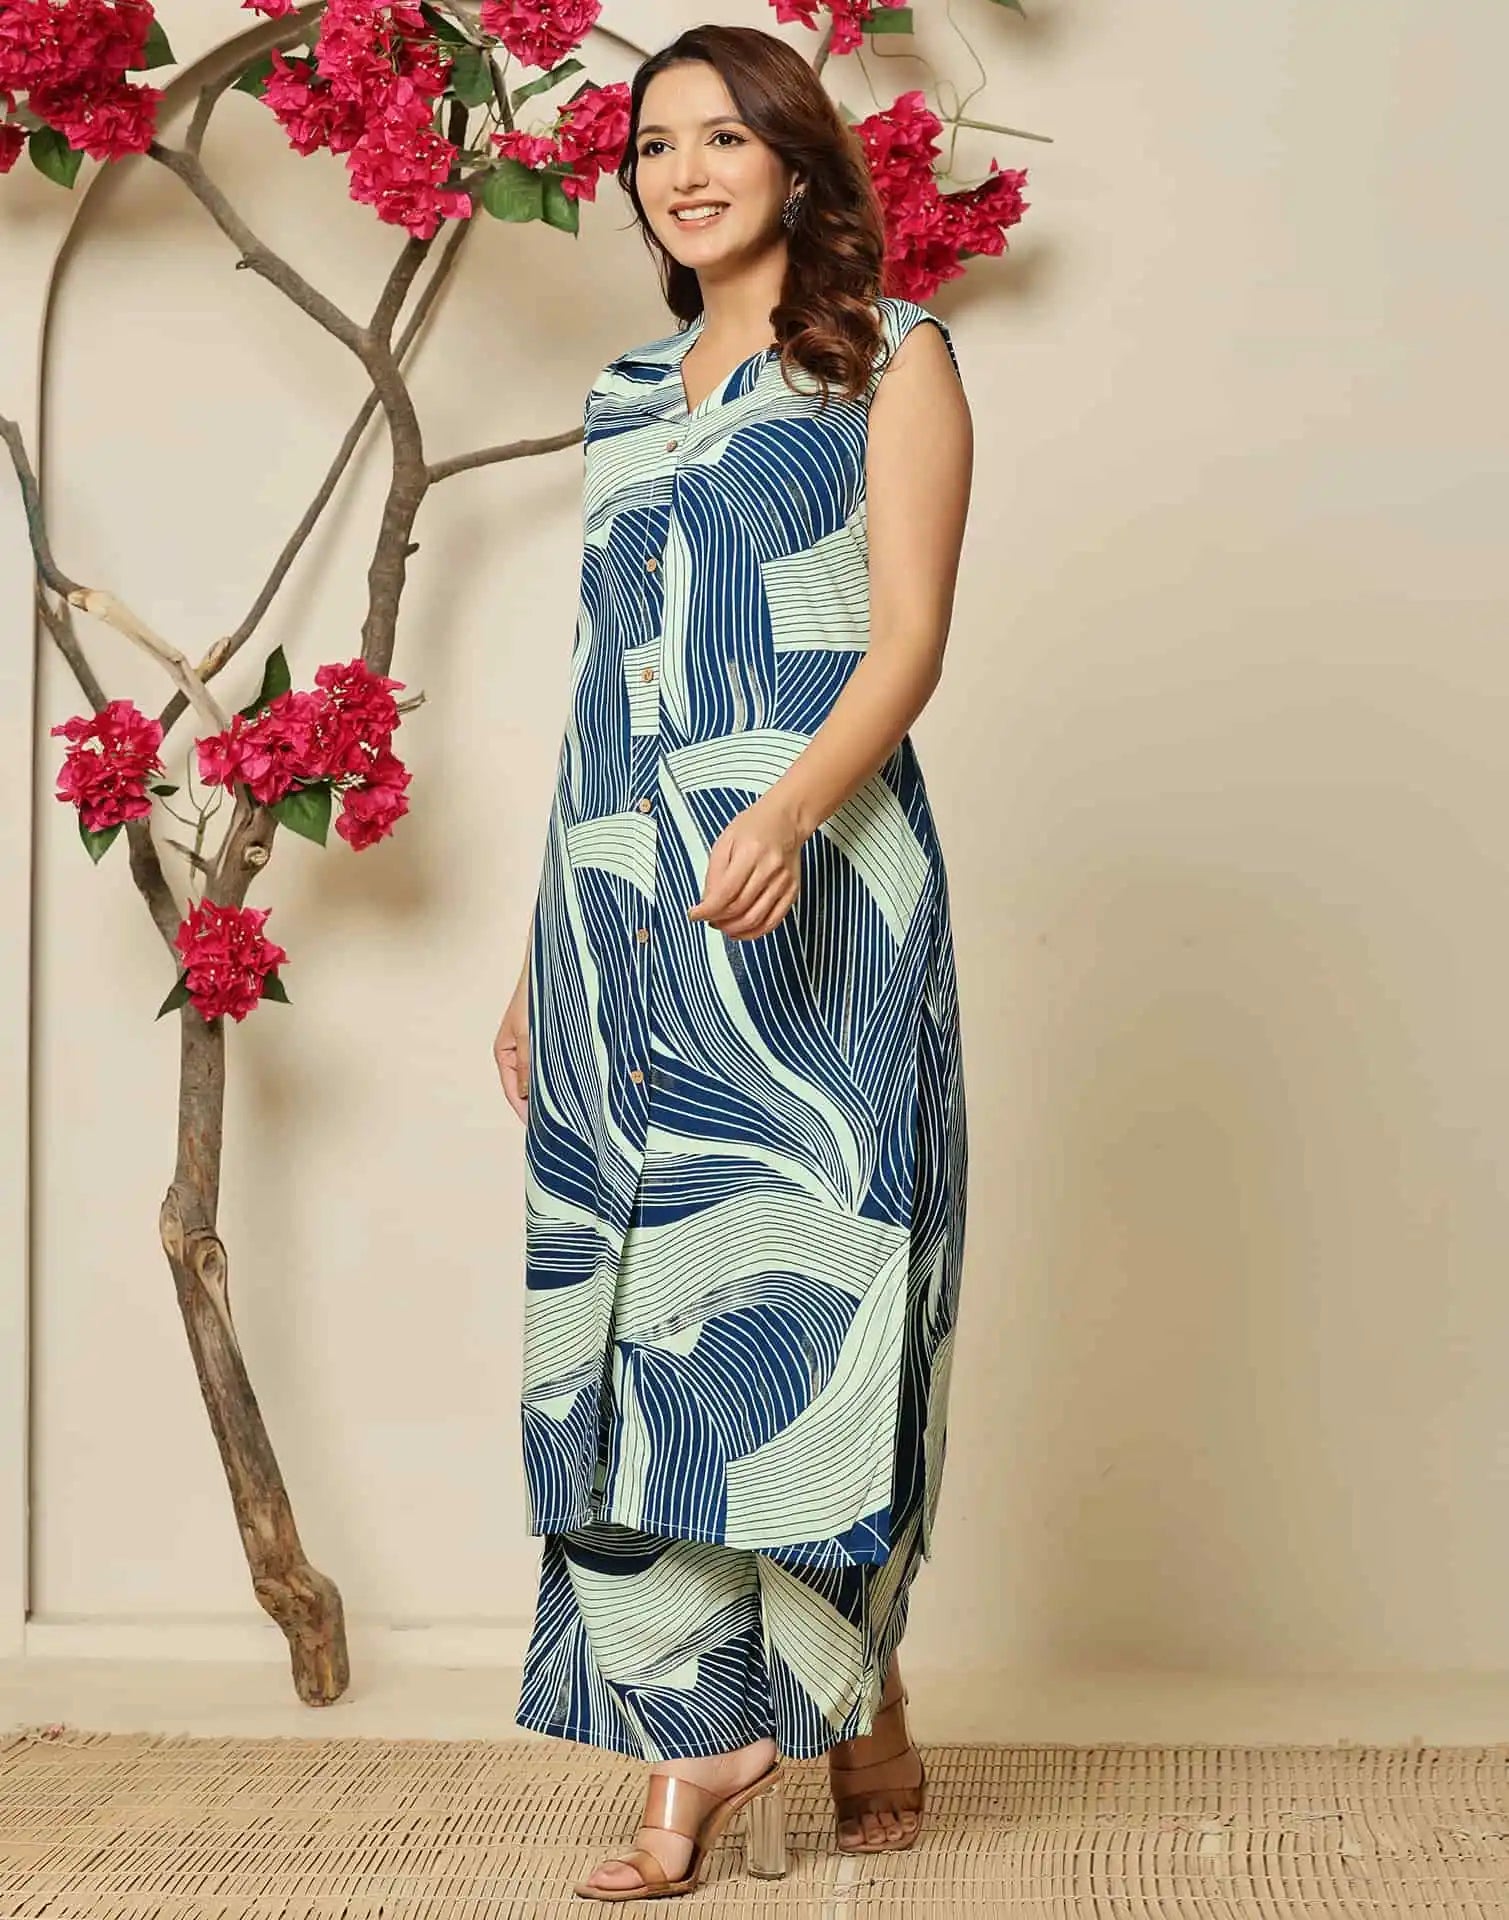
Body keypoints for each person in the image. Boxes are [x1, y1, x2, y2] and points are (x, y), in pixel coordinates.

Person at [492, 21, 973, 1902]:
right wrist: (538, 953)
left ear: (792, 160)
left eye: (720, 138)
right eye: (652, 145)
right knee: (638, 1313)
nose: (682, 173)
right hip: (617, 905)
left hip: (823, 890)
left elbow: (905, 640)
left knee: (810, 1296)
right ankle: (756, 1722)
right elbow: (599, 691)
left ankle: (777, 1723)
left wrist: (782, 812)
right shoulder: (623, 395)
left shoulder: (893, 359)